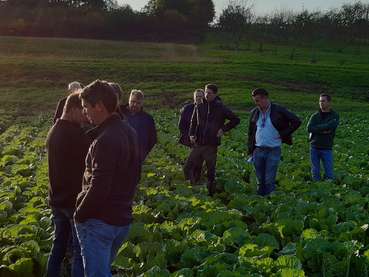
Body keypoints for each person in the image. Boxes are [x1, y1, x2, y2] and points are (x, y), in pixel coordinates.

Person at [74, 80, 141, 277]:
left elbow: (99, 186)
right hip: (121, 219)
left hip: (99, 222)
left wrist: (80, 214)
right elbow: (136, 175)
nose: (85, 113)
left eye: (87, 107)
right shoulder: (129, 131)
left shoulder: (105, 139)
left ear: (100, 107)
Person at [46, 92, 90, 277]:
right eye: (83, 111)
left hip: (56, 199)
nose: (86, 117)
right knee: (79, 252)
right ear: (72, 110)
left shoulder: (54, 130)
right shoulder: (74, 134)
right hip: (72, 202)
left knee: (58, 245)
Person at [247, 88, 301, 196]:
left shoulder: (278, 110)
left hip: (273, 150)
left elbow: (296, 121)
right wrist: (250, 150)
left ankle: (270, 202)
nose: (256, 103)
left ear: (265, 98)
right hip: (258, 150)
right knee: (260, 179)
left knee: (269, 179)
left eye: (258, 100)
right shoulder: (254, 112)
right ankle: (261, 202)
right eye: (255, 101)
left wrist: (284, 133)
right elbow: (251, 132)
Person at [189, 84, 240, 196]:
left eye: (209, 93)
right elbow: (193, 122)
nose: (206, 95)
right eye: (206, 92)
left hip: (211, 144)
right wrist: (191, 134)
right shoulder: (200, 105)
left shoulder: (220, 107)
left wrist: (223, 129)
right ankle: (195, 190)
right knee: (194, 166)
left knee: (210, 169)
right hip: (199, 143)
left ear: (215, 94)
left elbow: (236, 119)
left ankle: (210, 193)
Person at [307, 93, 339, 181]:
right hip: (314, 147)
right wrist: (323, 129)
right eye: (320, 101)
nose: (321, 103)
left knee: (329, 172)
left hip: (327, 147)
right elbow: (309, 128)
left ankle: (328, 190)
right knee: (315, 172)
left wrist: (317, 128)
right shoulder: (315, 116)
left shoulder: (334, 115)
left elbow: (331, 126)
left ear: (329, 102)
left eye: (323, 101)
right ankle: (317, 188)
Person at [119, 89, 157, 162]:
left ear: (142, 104)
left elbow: (152, 139)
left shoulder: (147, 119)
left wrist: (143, 153)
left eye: (138, 103)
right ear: (129, 100)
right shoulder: (120, 113)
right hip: (120, 155)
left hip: (137, 157)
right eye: (133, 102)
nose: (135, 105)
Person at [179, 89, 205, 183]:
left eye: (200, 96)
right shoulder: (188, 108)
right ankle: (190, 181)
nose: (198, 98)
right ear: (194, 98)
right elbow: (181, 125)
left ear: (204, 97)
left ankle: (196, 181)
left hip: (202, 142)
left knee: (199, 163)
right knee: (190, 164)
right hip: (189, 141)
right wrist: (190, 136)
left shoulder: (207, 109)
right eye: (197, 96)